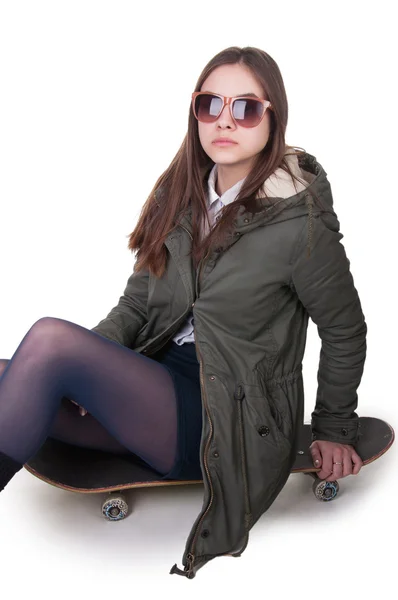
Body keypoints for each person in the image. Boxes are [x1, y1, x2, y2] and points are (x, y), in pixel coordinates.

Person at [0, 46, 367, 579]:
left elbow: (344, 328)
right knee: (15, 373)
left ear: (273, 119)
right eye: (208, 104)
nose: (224, 120)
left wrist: (334, 425)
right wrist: (90, 370)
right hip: (156, 385)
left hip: (227, 414)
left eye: (245, 108)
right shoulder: (180, 196)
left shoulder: (299, 222)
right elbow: (135, 304)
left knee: (50, 341)